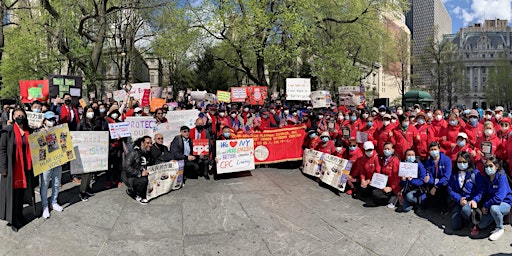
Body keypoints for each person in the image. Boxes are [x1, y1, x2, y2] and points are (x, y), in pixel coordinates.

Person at [0, 108, 35, 232]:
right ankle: (13, 219)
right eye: (18, 115)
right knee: (12, 195)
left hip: (25, 168)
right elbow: (2, 150)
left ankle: (19, 214)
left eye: (22, 115)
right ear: (13, 117)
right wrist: (3, 168)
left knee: (20, 195)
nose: (20, 117)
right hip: (12, 169)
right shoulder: (7, 131)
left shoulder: (28, 131)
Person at [477, 157, 512, 241]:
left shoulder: (501, 177)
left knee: (494, 208)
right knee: (481, 225)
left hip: (504, 203)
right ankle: (496, 217)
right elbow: (487, 194)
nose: (488, 168)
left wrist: (486, 205)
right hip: (492, 203)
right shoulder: (487, 178)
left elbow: (499, 198)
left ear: (496, 166)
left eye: (490, 166)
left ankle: (500, 228)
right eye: (486, 166)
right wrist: (485, 204)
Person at [447, 151, 484, 232]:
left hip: (471, 201)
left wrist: (475, 200)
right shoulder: (454, 174)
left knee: (465, 210)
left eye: (464, 162)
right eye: (459, 162)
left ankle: (473, 222)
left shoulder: (475, 173)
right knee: (455, 226)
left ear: (468, 162)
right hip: (460, 201)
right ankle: (464, 218)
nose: (462, 164)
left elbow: (481, 189)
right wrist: (459, 199)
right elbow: (450, 189)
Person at [38, 111, 64, 218]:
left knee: (56, 182)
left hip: (57, 160)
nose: (51, 121)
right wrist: (40, 133)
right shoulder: (39, 132)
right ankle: (44, 205)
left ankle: (54, 202)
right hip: (45, 162)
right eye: (49, 119)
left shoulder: (59, 130)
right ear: (44, 121)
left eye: (53, 119)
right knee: (44, 184)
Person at [77, 106, 102, 201]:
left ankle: (87, 188)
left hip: (94, 150)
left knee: (92, 171)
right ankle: (82, 191)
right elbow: (77, 136)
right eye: (88, 111)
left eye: (92, 111)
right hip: (84, 151)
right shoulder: (81, 124)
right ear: (85, 113)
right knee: (86, 172)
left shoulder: (96, 123)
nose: (90, 113)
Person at [123, 136, 153, 205]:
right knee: (143, 180)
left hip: (143, 174)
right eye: (147, 143)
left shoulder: (148, 152)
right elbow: (126, 167)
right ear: (142, 143)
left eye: (151, 143)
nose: (150, 145)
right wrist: (140, 173)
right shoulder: (134, 153)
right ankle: (137, 195)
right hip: (131, 177)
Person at [424, 142, 452, 214]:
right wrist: (429, 180)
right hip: (434, 182)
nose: (434, 151)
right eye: (432, 150)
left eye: (435, 149)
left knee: (442, 191)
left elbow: (447, 177)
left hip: (444, 183)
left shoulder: (446, 160)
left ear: (439, 149)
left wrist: (436, 186)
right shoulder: (428, 162)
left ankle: (445, 207)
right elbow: (429, 174)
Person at [372, 142, 400, 208]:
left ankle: (394, 197)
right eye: (385, 149)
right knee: (373, 193)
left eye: (388, 149)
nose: (386, 150)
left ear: (393, 150)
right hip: (384, 184)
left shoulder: (395, 161)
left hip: (393, 186)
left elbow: (397, 178)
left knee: (377, 196)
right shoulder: (383, 159)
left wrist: (391, 188)